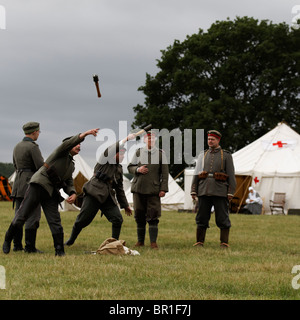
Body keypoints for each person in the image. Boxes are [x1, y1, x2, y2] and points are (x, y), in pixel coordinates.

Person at [2, 128, 99, 256]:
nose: (79, 146)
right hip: (39, 184)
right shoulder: (60, 152)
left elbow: (69, 181)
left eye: (80, 145)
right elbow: (68, 144)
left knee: (55, 220)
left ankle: (59, 250)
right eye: (76, 144)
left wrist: (72, 193)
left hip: (51, 191)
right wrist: (85, 134)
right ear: (68, 146)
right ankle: (8, 239)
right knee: (22, 214)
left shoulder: (71, 164)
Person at [65, 134, 135, 247]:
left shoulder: (119, 168)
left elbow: (119, 189)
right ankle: (71, 240)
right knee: (82, 220)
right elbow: (111, 149)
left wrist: (125, 205)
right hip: (94, 193)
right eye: (121, 153)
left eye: (123, 154)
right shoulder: (105, 159)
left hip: (108, 196)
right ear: (115, 153)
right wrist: (126, 139)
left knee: (117, 219)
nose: (123, 156)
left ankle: (114, 244)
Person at [191, 130, 236, 248]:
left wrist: (231, 192)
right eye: (209, 139)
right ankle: (199, 241)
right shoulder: (202, 154)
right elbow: (196, 173)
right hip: (203, 190)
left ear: (218, 140)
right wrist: (194, 189)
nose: (210, 141)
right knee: (201, 217)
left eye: (212, 139)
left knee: (222, 217)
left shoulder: (226, 155)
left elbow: (231, 174)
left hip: (220, 190)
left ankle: (224, 242)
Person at [127, 131, 169, 249]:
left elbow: (165, 173)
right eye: (148, 138)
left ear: (155, 140)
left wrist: (163, 189)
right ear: (144, 140)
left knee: (153, 216)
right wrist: (138, 169)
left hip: (153, 190)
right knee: (139, 215)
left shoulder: (161, 154)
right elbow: (130, 167)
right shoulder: (138, 152)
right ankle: (140, 241)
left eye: (153, 139)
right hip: (138, 188)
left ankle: (153, 242)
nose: (150, 140)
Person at [11, 122, 44, 252]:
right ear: (34, 132)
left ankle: (16, 245)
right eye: (38, 132)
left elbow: (15, 165)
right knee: (33, 216)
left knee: (18, 215)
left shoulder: (17, 146)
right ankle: (30, 247)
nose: (38, 134)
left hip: (18, 184)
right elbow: (40, 167)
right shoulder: (33, 147)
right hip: (30, 184)